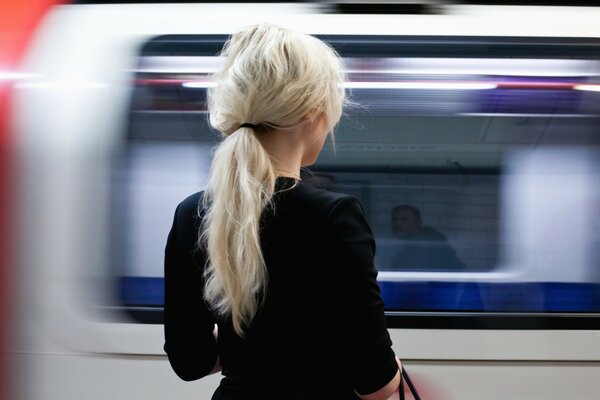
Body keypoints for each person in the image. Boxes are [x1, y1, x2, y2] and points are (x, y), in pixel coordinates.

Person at [164, 23, 401, 400]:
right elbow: (376, 383)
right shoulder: (334, 216)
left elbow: (189, 361)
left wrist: (249, 349)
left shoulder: (191, 213)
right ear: (315, 115)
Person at [391, 204, 465, 270]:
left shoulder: (430, 242)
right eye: (395, 220)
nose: (398, 223)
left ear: (418, 223)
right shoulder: (394, 244)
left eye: (403, 220)